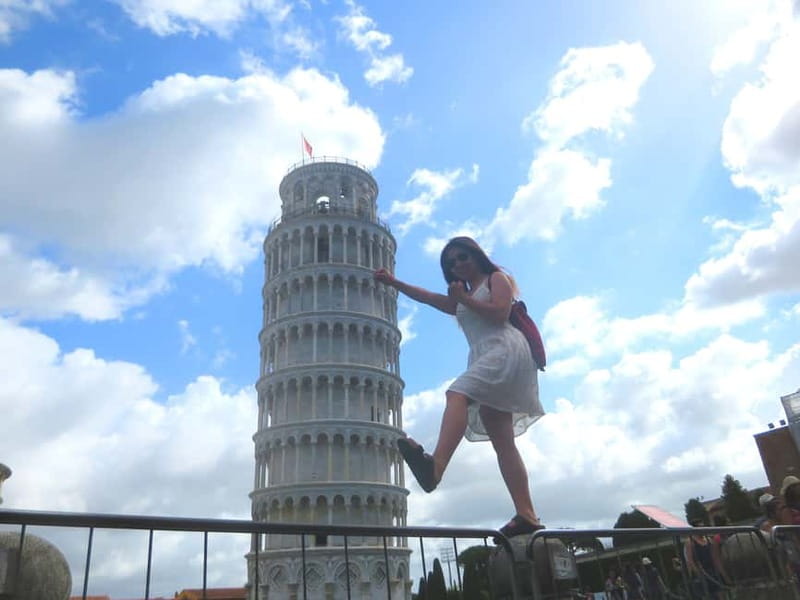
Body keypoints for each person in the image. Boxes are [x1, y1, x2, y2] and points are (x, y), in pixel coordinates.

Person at [373, 236, 545, 536]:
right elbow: (429, 298)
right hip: (486, 353)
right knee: (503, 441)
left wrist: (464, 300)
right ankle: (527, 514)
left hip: (505, 349)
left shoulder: (496, 278)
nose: (458, 264)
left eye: (462, 256)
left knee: (456, 393)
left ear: (476, 255)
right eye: (451, 263)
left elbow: (500, 312)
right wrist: (394, 282)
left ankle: (435, 467)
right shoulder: (461, 295)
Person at [684, 518, 728, 599]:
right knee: (707, 596)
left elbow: (715, 554)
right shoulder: (690, 542)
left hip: (713, 571)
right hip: (702, 572)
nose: (703, 529)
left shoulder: (708, 539)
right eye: (700, 527)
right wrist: (697, 573)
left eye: (703, 526)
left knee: (721, 594)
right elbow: (690, 560)